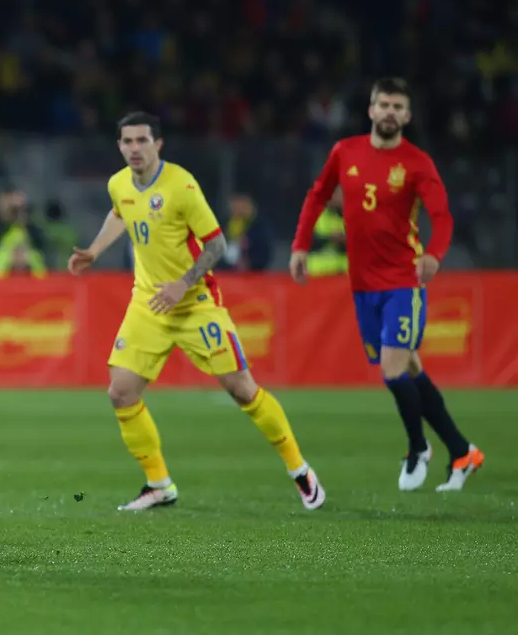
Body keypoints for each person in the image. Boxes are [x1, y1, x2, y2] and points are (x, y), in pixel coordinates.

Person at [69, 111, 325, 512]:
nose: (134, 148)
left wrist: (182, 284)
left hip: (195, 303)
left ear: (159, 144)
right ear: (119, 145)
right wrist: (94, 251)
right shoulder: (118, 183)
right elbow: (120, 212)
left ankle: (299, 470)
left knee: (241, 389)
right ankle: (158, 484)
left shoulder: (182, 186)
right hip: (148, 304)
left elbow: (217, 245)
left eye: (142, 141)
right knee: (120, 392)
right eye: (127, 142)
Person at [290, 77, 483, 492]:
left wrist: (433, 255)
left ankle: (418, 449)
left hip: (404, 280)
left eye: (399, 106)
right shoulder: (345, 152)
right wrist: (301, 245)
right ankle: (462, 450)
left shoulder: (417, 163)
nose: (391, 112)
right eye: (384, 105)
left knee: (393, 368)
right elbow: (317, 195)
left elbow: (443, 216)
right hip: (363, 285)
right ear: (371, 110)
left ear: (407, 116)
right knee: (409, 367)